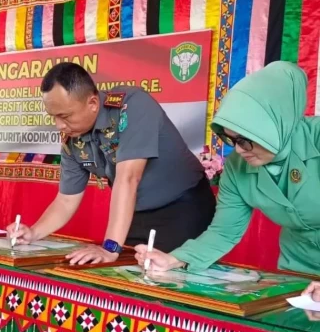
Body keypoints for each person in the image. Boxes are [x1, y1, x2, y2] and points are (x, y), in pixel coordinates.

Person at [6, 62, 216, 264]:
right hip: (136, 213)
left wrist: (110, 247)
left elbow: (128, 178)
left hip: (183, 208)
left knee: (169, 283)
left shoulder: (132, 107)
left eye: (65, 116)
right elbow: (66, 200)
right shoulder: (72, 138)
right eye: (53, 117)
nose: (59, 125)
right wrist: (34, 232)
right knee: (124, 279)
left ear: (93, 103)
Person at [134, 62, 320, 279]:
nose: (239, 150)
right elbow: (224, 231)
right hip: (299, 266)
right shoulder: (237, 167)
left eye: (246, 139)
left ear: (274, 125)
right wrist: (175, 259)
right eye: (232, 140)